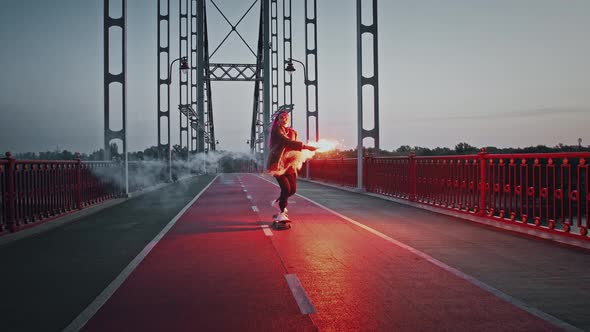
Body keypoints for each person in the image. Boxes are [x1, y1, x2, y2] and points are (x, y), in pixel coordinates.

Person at [266, 109, 317, 222]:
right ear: (277, 120)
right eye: (281, 117)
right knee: (286, 188)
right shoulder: (276, 131)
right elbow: (286, 142)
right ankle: (282, 212)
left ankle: (279, 203)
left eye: (286, 117)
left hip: (290, 165)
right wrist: (306, 147)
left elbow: (293, 146)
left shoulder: (293, 132)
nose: (284, 119)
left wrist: (304, 151)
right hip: (278, 165)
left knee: (292, 190)